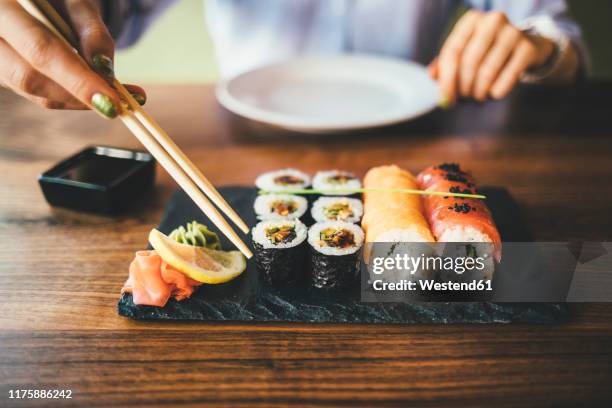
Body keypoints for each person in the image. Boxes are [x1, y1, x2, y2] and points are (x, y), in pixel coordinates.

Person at [0, 0, 586, 119]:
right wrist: (64, 12)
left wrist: (534, 47)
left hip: (425, 122)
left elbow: (559, 36)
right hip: (244, 133)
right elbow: (107, 12)